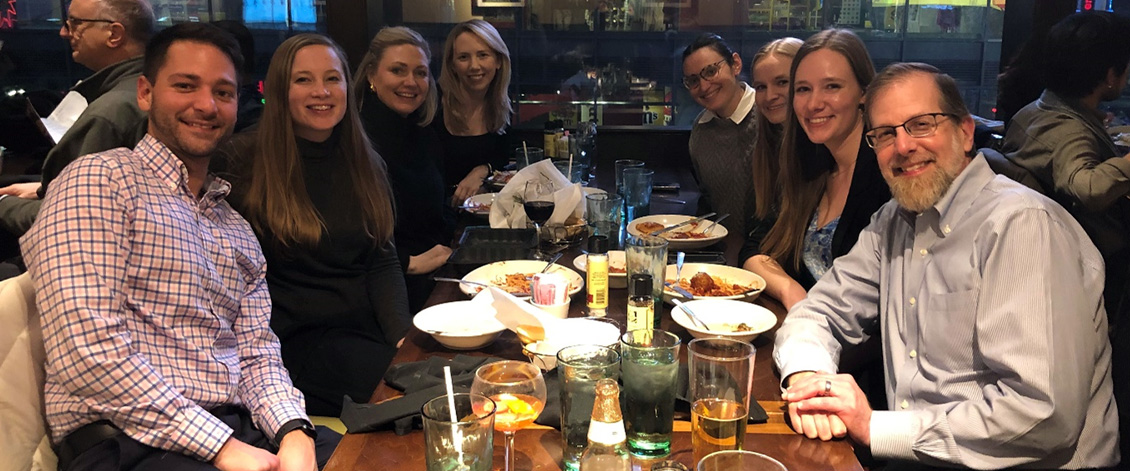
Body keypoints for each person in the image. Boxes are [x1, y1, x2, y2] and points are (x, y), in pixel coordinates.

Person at [21, 23, 339, 471]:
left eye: (223, 93)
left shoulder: (233, 227)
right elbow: (87, 351)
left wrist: (293, 431)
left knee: (390, 456)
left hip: (234, 428)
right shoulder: (100, 181)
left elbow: (257, 351)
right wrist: (221, 447)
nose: (206, 105)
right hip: (128, 443)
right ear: (146, 93)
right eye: (186, 86)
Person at [775, 62, 1119, 469]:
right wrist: (809, 381)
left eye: (921, 124)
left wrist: (875, 427)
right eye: (884, 134)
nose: (902, 146)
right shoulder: (895, 220)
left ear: (964, 131)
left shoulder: (1020, 224)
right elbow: (819, 312)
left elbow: (1043, 413)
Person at [216, 34, 410, 417]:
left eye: (332, 78)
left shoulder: (364, 160)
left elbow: (381, 262)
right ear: (279, 90)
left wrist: (404, 337)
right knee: (431, 400)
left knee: (448, 374)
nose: (321, 91)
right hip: (295, 349)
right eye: (303, 80)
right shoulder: (241, 160)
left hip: (363, 334)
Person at [999, 10, 1130, 465]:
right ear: (1110, 73)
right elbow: (1086, 187)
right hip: (1093, 270)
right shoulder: (1068, 127)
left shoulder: (1037, 110)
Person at [743, 29, 889, 312]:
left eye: (832, 86)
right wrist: (790, 290)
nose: (813, 104)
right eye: (803, 89)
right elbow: (754, 249)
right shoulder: (810, 167)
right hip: (806, 335)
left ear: (864, 92)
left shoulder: (887, 173)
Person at [0, 0, 153, 248]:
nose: (64, 32)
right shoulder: (145, 86)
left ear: (114, 34)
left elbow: (73, 221)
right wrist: (42, 190)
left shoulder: (109, 113)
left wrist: (3, 205)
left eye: (75, 23)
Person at [354, 26, 452, 313]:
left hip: (436, 273)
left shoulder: (423, 132)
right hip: (386, 290)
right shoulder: (356, 138)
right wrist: (408, 261)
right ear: (372, 75)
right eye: (398, 70)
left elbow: (440, 205)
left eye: (420, 73)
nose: (411, 82)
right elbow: (348, 236)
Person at [737, 37, 802, 275]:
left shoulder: (825, 155)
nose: (769, 95)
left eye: (782, 82)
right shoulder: (770, 150)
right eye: (761, 87)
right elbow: (755, 243)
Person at [682, 33, 756, 236]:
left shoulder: (768, 116)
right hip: (719, 249)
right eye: (694, 81)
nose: (704, 86)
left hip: (768, 253)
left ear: (736, 64)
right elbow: (709, 200)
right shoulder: (701, 129)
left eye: (711, 71)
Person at [436, 19, 512, 208]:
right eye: (463, 57)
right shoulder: (433, 105)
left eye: (483, 55)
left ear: (498, 61)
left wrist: (482, 170)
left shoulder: (500, 106)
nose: (474, 66)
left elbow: (501, 158)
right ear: (452, 65)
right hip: (439, 216)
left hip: (483, 215)